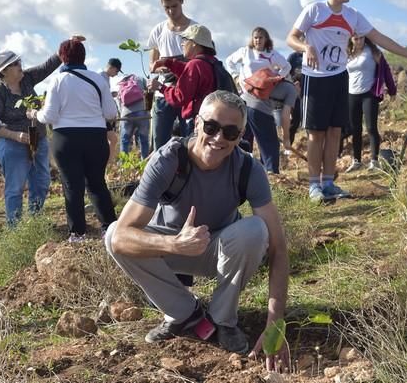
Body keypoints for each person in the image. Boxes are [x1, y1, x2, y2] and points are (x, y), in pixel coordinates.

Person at [104, 91, 289, 369]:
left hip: (217, 250)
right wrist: (175, 244)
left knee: (256, 230)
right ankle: (183, 314)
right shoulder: (169, 160)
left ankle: (222, 320)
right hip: (171, 247)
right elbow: (121, 236)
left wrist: (275, 324)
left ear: (240, 136)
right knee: (113, 235)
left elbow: (279, 248)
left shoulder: (248, 169)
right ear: (196, 122)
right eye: (211, 127)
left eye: (230, 132)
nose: (218, 139)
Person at [287, 0, 407, 202]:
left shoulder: (353, 16)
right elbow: (291, 38)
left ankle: (329, 183)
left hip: (340, 78)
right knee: (315, 134)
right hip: (315, 78)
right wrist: (306, 47)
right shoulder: (314, 10)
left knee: (334, 133)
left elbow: (380, 38)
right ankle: (314, 186)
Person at [34, 39, 118, 242]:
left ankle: (77, 233)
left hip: (66, 138)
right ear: (84, 57)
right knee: (97, 183)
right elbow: (110, 112)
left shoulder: (58, 80)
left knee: (72, 185)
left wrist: (34, 114)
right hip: (95, 137)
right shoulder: (98, 79)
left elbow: (50, 117)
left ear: (62, 58)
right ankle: (110, 228)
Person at [0, 48, 62, 226]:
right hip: (13, 143)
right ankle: (16, 228)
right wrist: (15, 135)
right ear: (3, 71)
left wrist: (64, 48)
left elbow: (47, 66)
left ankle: (35, 220)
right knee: (15, 187)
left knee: (41, 181)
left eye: (19, 61)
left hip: (37, 138)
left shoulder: (27, 78)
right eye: (15, 64)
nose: (20, 66)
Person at [225, 27, 297, 174]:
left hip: (262, 98)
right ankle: (245, 171)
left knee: (262, 140)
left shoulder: (271, 54)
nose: (258, 40)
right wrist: (236, 77)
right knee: (245, 140)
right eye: (255, 37)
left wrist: (276, 77)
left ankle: (265, 173)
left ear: (266, 39)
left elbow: (286, 66)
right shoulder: (245, 51)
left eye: (261, 37)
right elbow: (229, 61)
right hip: (246, 97)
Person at [147, 0, 197, 150]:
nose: (170, 11)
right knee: (159, 144)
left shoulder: (195, 30)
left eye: (174, 6)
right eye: (166, 7)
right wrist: (160, 67)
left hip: (188, 94)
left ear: (182, 1)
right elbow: (151, 65)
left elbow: (202, 62)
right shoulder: (158, 31)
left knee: (190, 143)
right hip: (164, 93)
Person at [148, 24, 216, 133]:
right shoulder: (210, 62)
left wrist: (160, 87)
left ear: (193, 43)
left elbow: (180, 98)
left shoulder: (194, 64)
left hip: (198, 120)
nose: (182, 43)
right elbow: (190, 73)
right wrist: (167, 62)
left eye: (184, 39)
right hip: (210, 118)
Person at [345, 35, 396, 172]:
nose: (359, 41)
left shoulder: (373, 52)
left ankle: (374, 161)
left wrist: (392, 90)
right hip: (351, 94)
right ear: (351, 39)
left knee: (371, 127)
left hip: (369, 93)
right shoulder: (348, 54)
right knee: (355, 129)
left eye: (361, 38)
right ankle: (356, 161)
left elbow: (386, 71)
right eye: (356, 39)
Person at [118, 73, 150, 158]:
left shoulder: (122, 82)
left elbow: (120, 101)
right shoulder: (141, 79)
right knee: (144, 140)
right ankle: (144, 163)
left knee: (125, 141)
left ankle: (124, 166)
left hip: (126, 114)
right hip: (142, 113)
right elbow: (149, 91)